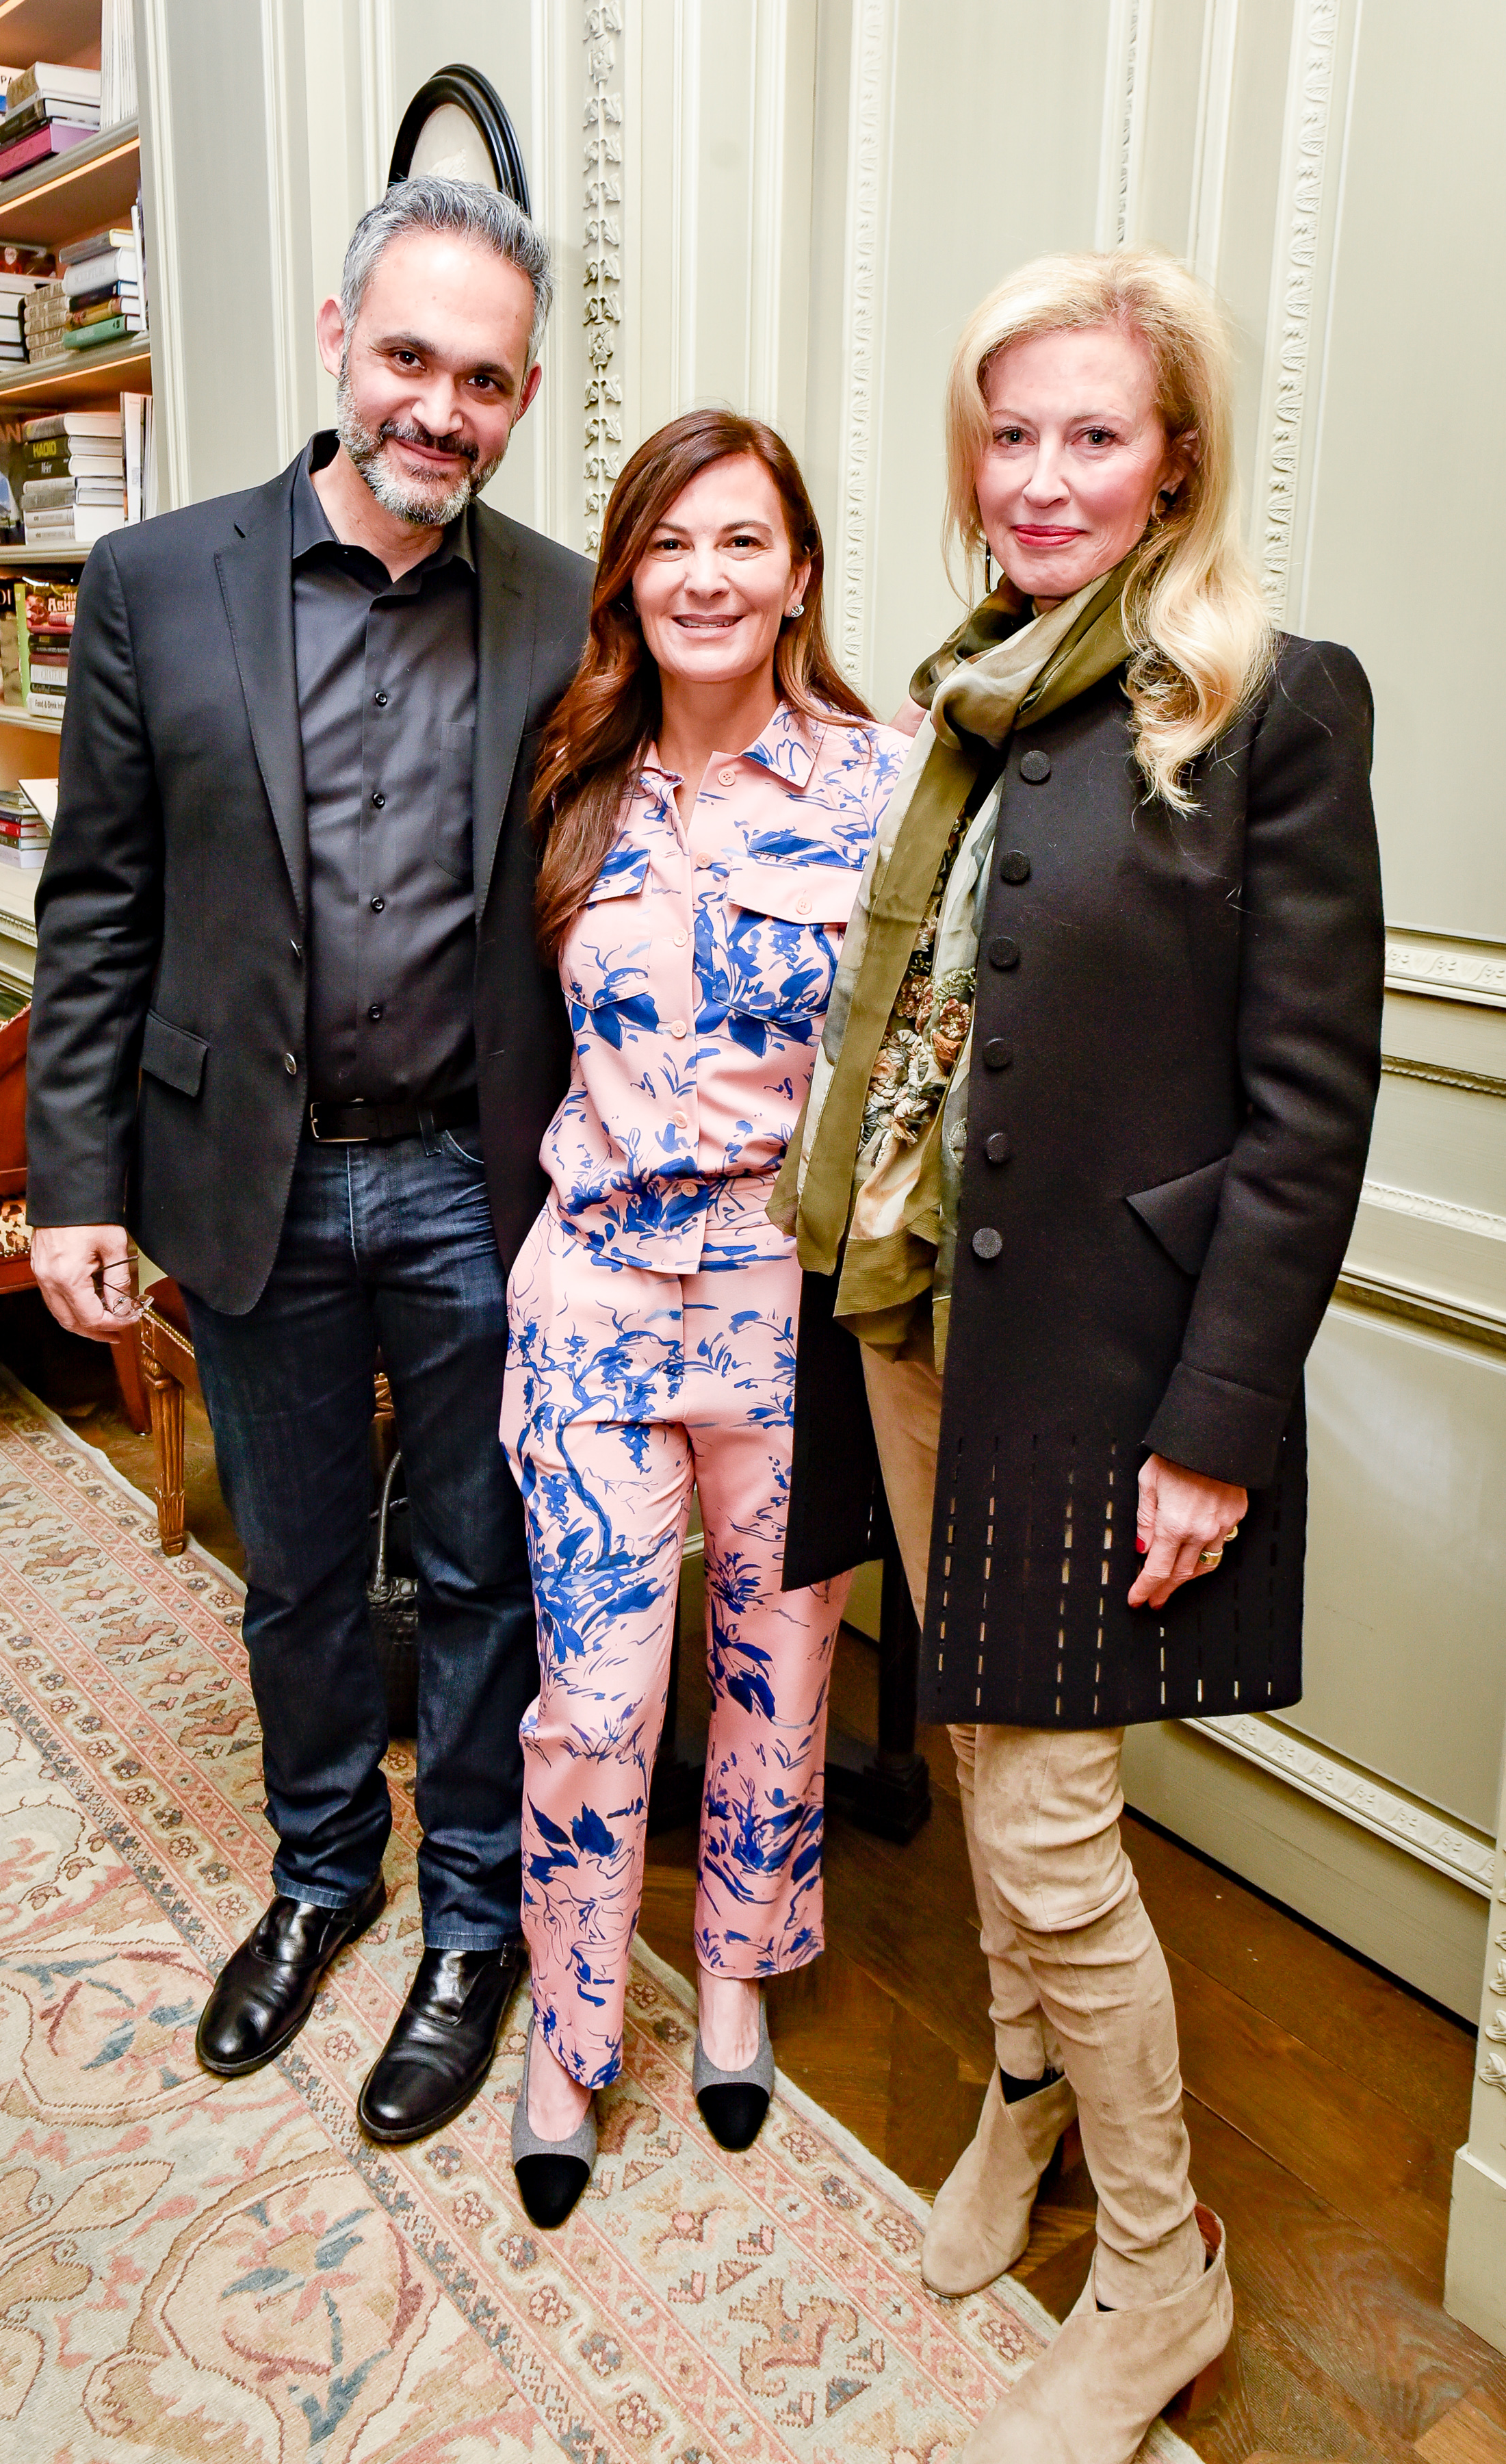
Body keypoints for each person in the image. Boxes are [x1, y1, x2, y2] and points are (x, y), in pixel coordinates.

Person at [773, 248, 1381, 2461]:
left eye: (1089, 435)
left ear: (1173, 459)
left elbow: (1307, 1112)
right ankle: (1024, 2105)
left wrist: (1211, 1430)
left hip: (1108, 1369)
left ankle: (1159, 2273)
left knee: (1042, 1832)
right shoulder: (971, 690)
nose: (1039, 476)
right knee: (972, 1771)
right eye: (1007, 434)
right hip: (915, 1324)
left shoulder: (1273, 701)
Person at [26, 177, 591, 2144]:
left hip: (468, 1179)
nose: (443, 406)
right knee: (293, 1577)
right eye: (413, 358)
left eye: (487, 381)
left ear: (523, 399)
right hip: (242, 1173)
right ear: (338, 332)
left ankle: (468, 1925)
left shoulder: (566, 602)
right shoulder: (156, 583)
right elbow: (96, 907)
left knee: (476, 1568)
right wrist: (75, 1183)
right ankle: (321, 1880)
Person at [501, 411, 907, 2229]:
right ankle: (566, 2030)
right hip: (590, 1293)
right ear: (628, 575)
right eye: (670, 542)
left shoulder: (882, 783)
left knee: (777, 1669)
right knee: (591, 1703)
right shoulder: (569, 775)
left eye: (742, 541)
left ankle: (737, 1976)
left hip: (780, 1303)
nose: (706, 577)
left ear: (798, 574)